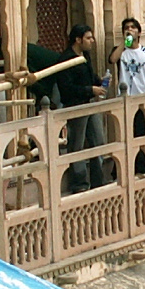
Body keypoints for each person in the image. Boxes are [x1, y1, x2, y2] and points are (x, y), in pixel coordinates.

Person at [58, 25, 108, 193]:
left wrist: (99, 82)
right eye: (88, 38)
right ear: (78, 40)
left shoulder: (85, 55)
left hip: (90, 103)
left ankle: (98, 180)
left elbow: (89, 76)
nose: (92, 41)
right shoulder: (66, 59)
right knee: (77, 144)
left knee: (98, 140)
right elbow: (66, 88)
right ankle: (79, 183)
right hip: (76, 105)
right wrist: (89, 90)